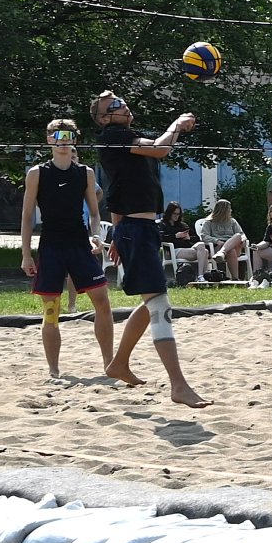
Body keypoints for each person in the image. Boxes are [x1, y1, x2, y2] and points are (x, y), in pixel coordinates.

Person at [92, 90, 209, 407]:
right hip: (136, 231)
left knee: (151, 302)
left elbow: (117, 191)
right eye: (114, 105)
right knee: (160, 305)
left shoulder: (122, 139)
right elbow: (160, 149)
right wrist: (177, 124)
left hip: (138, 229)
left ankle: (119, 363)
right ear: (104, 118)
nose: (123, 105)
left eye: (122, 101)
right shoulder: (114, 135)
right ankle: (179, 386)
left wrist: (117, 232)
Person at [19, 119, 114, 378]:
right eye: (57, 135)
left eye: (69, 135)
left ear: (74, 140)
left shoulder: (85, 173)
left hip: (79, 243)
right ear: (49, 139)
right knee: (51, 311)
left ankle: (110, 363)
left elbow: (95, 214)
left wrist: (96, 236)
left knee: (102, 301)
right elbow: (27, 216)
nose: (63, 139)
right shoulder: (37, 173)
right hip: (51, 245)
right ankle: (54, 371)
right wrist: (26, 254)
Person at [195, 198, 249, 282]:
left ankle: (223, 252)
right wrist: (216, 241)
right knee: (231, 251)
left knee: (238, 236)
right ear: (223, 210)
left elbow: (242, 234)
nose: (231, 210)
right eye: (229, 209)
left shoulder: (232, 221)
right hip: (218, 247)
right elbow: (204, 236)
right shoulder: (209, 222)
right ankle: (235, 279)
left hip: (232, 247)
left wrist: (243, 240)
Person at [160, 202, 213, 280]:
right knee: (205, 252)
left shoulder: (183, 225)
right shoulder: (163, 224)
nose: (176, 216)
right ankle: (202, 276)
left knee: (201, 245)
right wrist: (175, 236)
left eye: (178, 214)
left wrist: (189, 238)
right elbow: (161, 237)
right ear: (169, 213)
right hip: (174, 249)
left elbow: (197, 238)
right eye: (174, 213)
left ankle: (202, 276)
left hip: (188, 248)